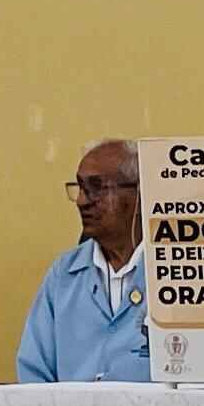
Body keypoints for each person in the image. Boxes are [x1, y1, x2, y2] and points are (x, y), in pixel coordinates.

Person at [15, 140, 152, 383]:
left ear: (139, 192)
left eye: (96, 188)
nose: (82, 201)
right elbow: (33, 375)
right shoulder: (64, 274)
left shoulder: (173, 270)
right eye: (80, 187)